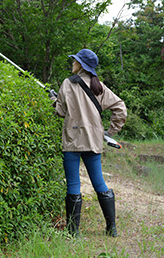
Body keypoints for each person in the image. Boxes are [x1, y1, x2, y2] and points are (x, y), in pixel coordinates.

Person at [49, 49, 127, 237]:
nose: (72, 63)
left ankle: (73, 232)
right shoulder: (99, 86)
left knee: (74, 185)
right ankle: (112, 229)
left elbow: (59, 112)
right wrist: (110, 131)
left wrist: (53, 99)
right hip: (93, 142)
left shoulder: (68, 83)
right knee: (99, 183)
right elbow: (120, 108)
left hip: (72, 142)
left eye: (75, 60)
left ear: (81, 64)